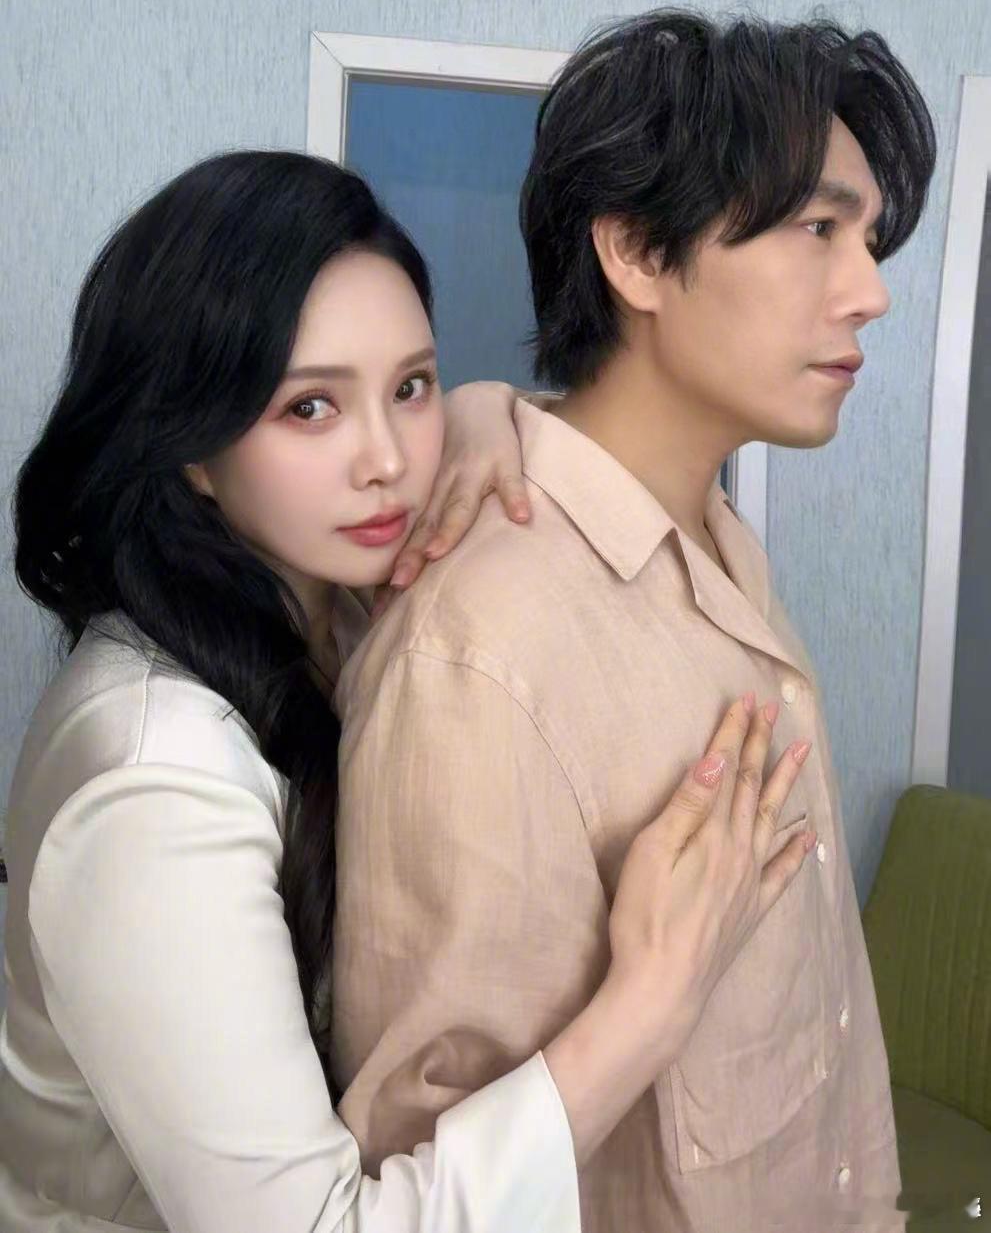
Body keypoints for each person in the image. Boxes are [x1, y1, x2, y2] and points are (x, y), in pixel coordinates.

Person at [0, 150, 812, 1233]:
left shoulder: (329, 601)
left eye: (410, 386)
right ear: (192, 443)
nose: (386, 460)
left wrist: (481, 412)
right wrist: (650, 1002)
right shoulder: (154, 785)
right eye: (310, 408)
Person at [330, 12, 938, 1233]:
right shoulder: (480, 650)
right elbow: (430, 1172)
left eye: (868, 239)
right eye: (818, 229)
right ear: (637, 253)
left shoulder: (721, 543)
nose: (871, 292)